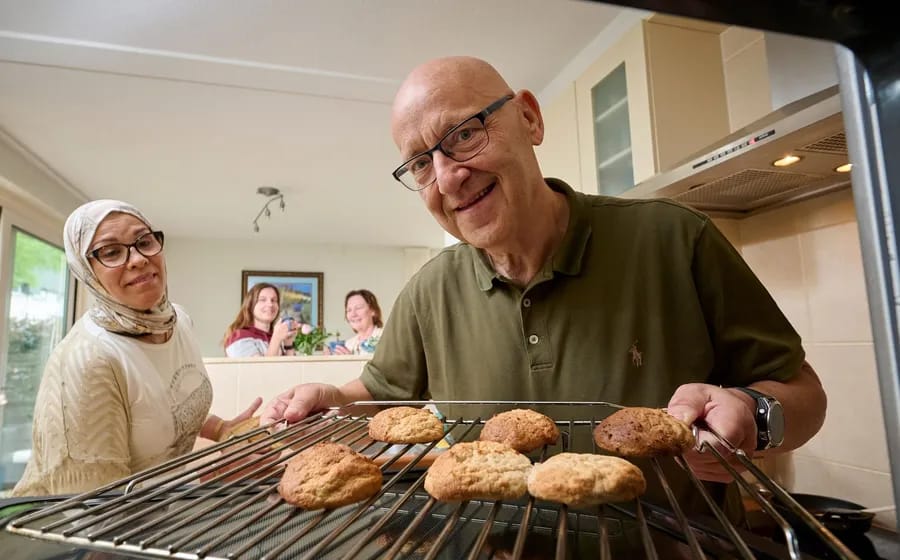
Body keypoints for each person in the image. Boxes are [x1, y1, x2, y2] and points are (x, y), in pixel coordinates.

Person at [261, 56, 827, 519]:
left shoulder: (675, 240)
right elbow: (382, 392)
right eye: (420, 165)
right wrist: (333, 398)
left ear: (529, 119)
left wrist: (756, 416)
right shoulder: (428, 291)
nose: (449, 176)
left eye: (463, 134)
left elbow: (804, 393)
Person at [12, 199, 260, 497]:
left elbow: (162, 407)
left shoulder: (177, 320)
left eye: (144, 241)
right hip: (79, 534)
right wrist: (217, 475)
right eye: (111, 252)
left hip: (160, 515)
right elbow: (93, 512)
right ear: (86, 271)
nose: (139, 258)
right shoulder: (89, 361)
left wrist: (221, 429)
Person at [223, 283, 298, 357]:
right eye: (262, 300)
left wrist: (288, 345)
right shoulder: (238, 337)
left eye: (274, 300)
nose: (270, 304)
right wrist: (276, 339)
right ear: (250, 305)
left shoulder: (275, 337)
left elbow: (291, 368)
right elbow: (261, 368)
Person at [328, 289, 384, 355]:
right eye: (349, 310)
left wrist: (351, 361)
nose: (353, 314)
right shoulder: (348, 344)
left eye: (358, 308)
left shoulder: (386, 337)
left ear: (373, 311)